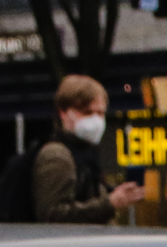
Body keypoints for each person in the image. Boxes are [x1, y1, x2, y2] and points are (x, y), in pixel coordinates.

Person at [33, 75, 145, 224]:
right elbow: (53, 216)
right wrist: (111, 203)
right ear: (63, 113)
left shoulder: (84, 154)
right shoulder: (57, 156)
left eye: (100, 113)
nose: (96, 120)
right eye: (87, 112)